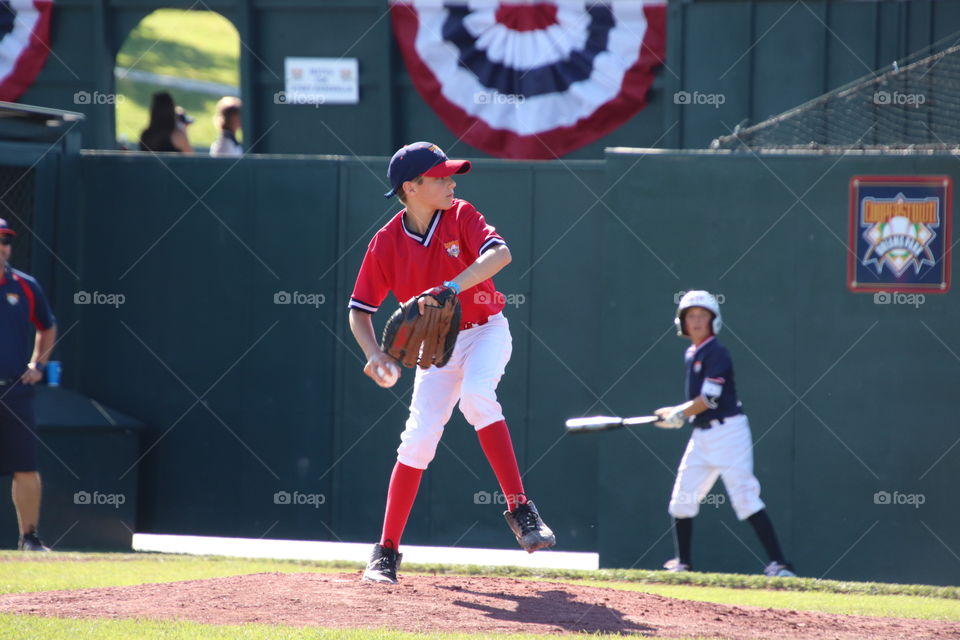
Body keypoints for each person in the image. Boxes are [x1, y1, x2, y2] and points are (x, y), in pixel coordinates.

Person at [348, 141, 555, 584]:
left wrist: (452, 285)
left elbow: (501, 255)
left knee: (478, 397)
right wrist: (374, 354)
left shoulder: (461, 214)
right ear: (412, 186)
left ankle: (521, 510)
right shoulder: (385, 243)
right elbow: (359, 309)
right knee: (418, 440)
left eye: (450, 174)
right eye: (440, 176)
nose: (450, 181)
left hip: (486, 331)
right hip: (435, 350)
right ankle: (385, 552)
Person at [654, 290, 795, 577]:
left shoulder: (717, 352)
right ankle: (684, 564)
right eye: (690, 316)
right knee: (681, 499)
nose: (695, 321)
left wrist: (679, 414)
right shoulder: (692, 352)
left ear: (713, 321)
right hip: (702, 435)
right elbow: (698, 404)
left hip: (729, 433)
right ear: (682, 322)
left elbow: (709, 399)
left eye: (701, 316)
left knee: (744, 498)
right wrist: (678, 411)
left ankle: (780, 565)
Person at [0, 219, 57, 552]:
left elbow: (47, 327)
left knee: (26, 467)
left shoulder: (25, 286)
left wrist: (38, 365)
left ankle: (29, 538)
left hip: (14, 391)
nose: (3, 247)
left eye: (7, 241)